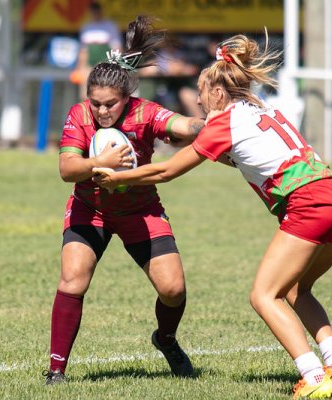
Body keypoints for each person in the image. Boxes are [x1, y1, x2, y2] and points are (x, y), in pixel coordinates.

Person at [94, 34, 332, 399]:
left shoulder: (226, 121)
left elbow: (166, 172)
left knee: (264, 296)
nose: (200, 103)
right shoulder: (263, 110)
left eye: (202, 95)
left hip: (311, 202)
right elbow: (237, 153)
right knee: (298, 288)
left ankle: (313, 376)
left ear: (218, 93)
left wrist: (118, 177)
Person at [43, 15, 205, 385]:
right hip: (91, 209)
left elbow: (182, 127)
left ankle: (165, 340)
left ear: (126, 98)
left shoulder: (144, 113)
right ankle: (57, 370)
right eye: (96, 103)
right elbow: (67, 169)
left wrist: (209, 126)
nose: (102, 111)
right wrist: (101, 163)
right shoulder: (79, 115)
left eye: (110, 104)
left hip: (140, 209)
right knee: (72, 281)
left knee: (173, 289)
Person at [70, 1, 123, 100]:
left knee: (103, 86)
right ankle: (85, 110)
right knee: (85, 86)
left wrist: (116, 65)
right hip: (89, 60)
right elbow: (83, 50)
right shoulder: (86, 27)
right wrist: (79, 67)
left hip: (104, 59)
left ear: (101, 11)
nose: (95, 13)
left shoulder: (110, 26)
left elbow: (117, 48)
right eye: (92, 11)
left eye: (96, 11)